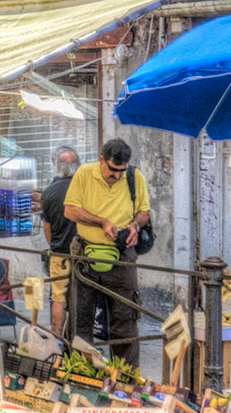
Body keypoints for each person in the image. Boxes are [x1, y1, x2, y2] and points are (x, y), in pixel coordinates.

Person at [57, 138, 150, 366]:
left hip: (122, 255)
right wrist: (102, 222)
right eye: (112, 169)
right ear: (101, 159)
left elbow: (143, 212)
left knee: (125, 320)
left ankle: (125, 376)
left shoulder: (134, 177)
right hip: (85, 254)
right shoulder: (84, 173)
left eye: (121, 170)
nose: (116, 175)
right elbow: (70, 210)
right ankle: (80, 370)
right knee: (80, 319)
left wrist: (134, 226)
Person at [38, 146, 83, 337]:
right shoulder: (85, 188)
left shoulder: (48, 192)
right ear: (77, 165)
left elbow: (46, 228)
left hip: (59, 254)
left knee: (58, 298)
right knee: (82, 298)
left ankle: (56, 337)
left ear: (56, 166)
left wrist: (54, 246)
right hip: (84, 254)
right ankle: (77, 339)